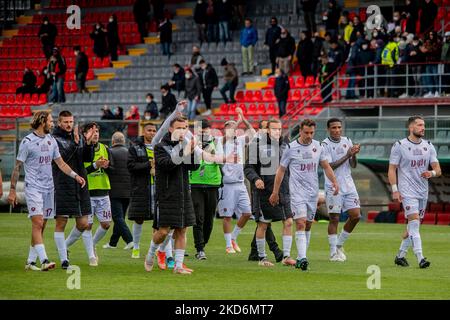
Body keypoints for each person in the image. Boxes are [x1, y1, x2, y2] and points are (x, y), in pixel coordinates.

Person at [8, 111, 86, 271]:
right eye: (50, 121)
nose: (52, 123)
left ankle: (30, 261)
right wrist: (12, 190)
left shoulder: (51, 141)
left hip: (49, 189)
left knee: (41, 225)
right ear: (42, 122)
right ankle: (44, 260)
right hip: (34, 188)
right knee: (37, 222)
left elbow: (60, 163)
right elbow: (17, 167)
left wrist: (75, 176)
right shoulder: (27, 142)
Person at [270, 119, 339, 271]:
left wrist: (334, 181)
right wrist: (275, 192)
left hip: (312, 193)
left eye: (311, 133)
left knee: (308, 224)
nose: (309, 135)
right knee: (300, 223)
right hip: (296, 193)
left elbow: (326, 166)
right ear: (300, 131)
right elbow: (281, 170)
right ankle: (302, 258)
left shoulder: (318, 146)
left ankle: (302, 255)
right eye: (306, 132)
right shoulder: (291, 148)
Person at [145, 116, 200, 274]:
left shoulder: (185, 144)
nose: (183, 131)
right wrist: (185, 150)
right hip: (166, 195)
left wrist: (192, 151)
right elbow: (168, 165)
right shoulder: (161, 146)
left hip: (183, 193)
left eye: (185, 128)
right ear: (170, 129)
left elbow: (194, 167)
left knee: (182, 230)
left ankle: (178, 266)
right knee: (163, 231)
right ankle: (150, 255)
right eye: (179, 128)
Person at [389, 116, 441, 268]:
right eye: (419, 125)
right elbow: (392, 169)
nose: (423, 128)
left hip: (422, 191)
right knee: (414, 224)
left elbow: (438, 170)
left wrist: (430, 173)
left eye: (424, 125)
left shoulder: (429, 146)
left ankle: (400, 255)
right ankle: (421, 258)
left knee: (413, 227)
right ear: (411, 128)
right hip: (407, 191)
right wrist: (395, 190)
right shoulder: (399, 145)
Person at [245, 119, 296, 267]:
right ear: (267, 130)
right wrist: (255, 180)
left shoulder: (286, 145)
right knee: (263, 224)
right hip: (263, 191)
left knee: (288, 222)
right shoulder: (257, 145)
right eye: (274, 129)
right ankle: (262, 258)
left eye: (279, 129)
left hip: (283, 191)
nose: (277, 132)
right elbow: (248, 167)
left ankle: (286, 256)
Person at [51, 110, 95, 269]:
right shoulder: (54, 139)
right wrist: (76, 144)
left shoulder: (78, 137)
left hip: (80, 183)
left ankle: (64, 246)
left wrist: (88, 144)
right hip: (63, 183)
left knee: (83, 223)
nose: (69, 125)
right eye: (66, 122)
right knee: (61, 222)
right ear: (59, 123)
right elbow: (62, 160)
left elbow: (87, 159)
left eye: (71, 122)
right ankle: (64, 260)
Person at [65, 123, 113, 261]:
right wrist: (95, 165)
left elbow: (112, 169)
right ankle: (92, 256)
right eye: (92, 131)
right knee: (87, 225)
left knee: (106, 224)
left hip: (103, 191)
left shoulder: (105, 148)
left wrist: (107, 166)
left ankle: (66, 245)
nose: (96, 134)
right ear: (85, 134)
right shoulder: (80, 150)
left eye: (97, 131)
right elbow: (80, 173)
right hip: (87, 193)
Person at [322, 118, 361, 262]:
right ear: (328, 129)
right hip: (333, 185)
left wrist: (354, 154)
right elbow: (330, 166)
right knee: (335, 218)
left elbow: (354, 165)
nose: (337, 130)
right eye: (334, 128)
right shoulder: (324, 145)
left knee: (356, 215)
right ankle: (333, 252)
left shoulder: (347, 140)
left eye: (339, 127)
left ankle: (338, 245)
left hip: (349, 185)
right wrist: (347, 155)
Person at [217, 108, 256, 253]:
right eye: (229, 126)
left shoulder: (240, 141)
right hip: (227, 185)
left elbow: (252, 132)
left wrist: (244, 119)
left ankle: (233, 238)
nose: (232, 129)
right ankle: (228, 245)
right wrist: (237, 121)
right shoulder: (220, 142)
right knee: (227, 216)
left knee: (247, 213)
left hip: (240, 184)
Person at [190, 120, 223, 260]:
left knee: (209, 218)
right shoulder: (191, 143)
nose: (203, 132)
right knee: (198, 217)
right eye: (200, 130)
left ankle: (203, 243)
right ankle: (200, 248)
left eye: (205, 129)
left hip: (212, 184)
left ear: (210, 130)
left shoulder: (216, 141)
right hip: (195, 183)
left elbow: (220, 160)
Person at [127, 123, 159, 259]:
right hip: (141, 188)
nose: (152, 133)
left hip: (158, 188)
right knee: (139, 219)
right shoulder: (135, 147)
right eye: (149, 130)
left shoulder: (160, 147)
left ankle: (155, 249)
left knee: (158, 221)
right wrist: (148, 165)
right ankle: (136, 246)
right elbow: (130, 166)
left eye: (154, 131)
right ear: (143, 132)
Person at [103, 132, 134, 249]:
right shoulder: (130, 152)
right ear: (124, 141)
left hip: (114, 190)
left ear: (113, 141)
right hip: (128, 190)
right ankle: (113, 243)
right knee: (120, 217)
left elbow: (111, 169)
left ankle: (130, 240)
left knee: (117, 217)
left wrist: (104, 168)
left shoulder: (110, 152)